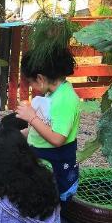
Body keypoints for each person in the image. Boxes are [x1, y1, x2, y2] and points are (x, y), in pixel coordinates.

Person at [15, 47, 80, 203]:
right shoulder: (54, 92)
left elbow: (58, 138)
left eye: (31, 82)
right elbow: (48, 123)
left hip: (55, 162)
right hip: (42, 159)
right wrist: (25, 133)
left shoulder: (65, 100)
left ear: (40, 78)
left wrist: (31, 118)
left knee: (51, 201)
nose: (31, 87)